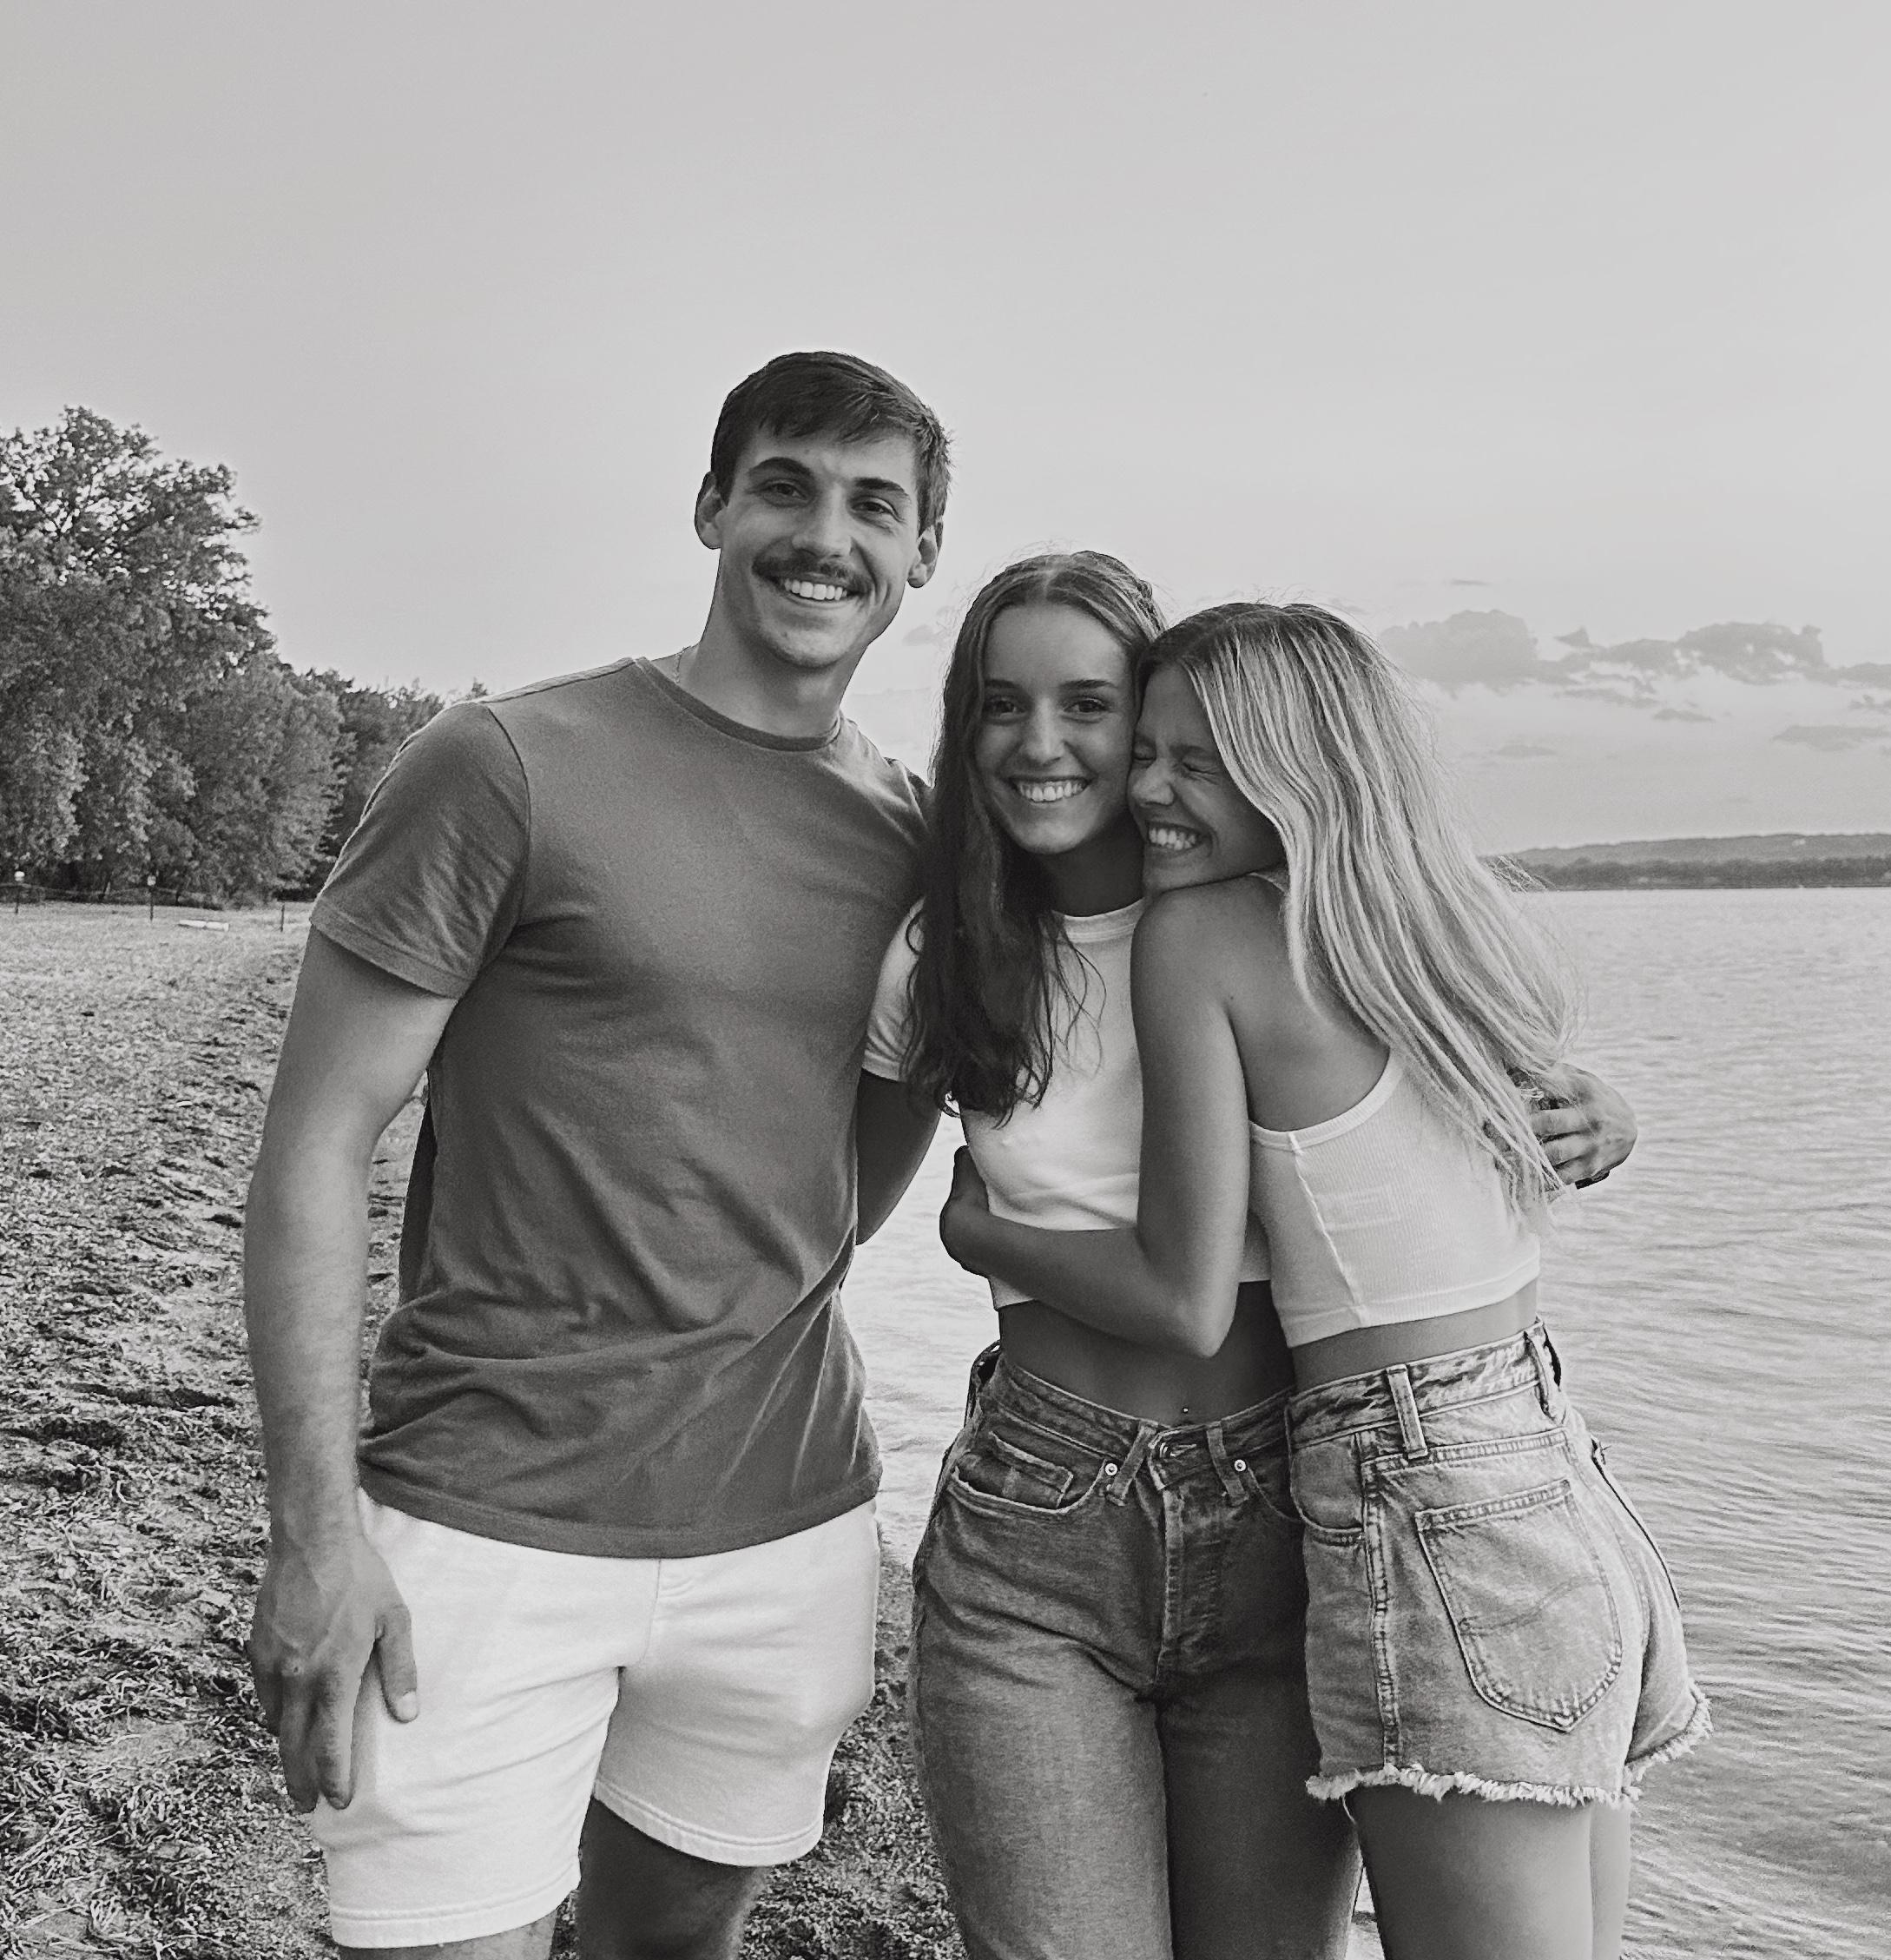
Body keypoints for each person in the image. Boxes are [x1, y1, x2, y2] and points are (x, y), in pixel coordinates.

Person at [242, 351, 952, 1960]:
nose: (823, 536)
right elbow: (315, 1147)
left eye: (873, 505)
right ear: (710, 506)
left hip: (786, 1532)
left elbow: (847, 1190)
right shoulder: (504, 761)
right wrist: (312, 1532)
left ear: (920, 553)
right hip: (478, 1523)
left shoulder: (922, 849)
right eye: (783, 486)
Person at [864, 557, 1638, 1960]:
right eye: (999, 704)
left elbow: (1439, 1114)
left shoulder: (1267, 921)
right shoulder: (947, 953)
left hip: (1296, 1510)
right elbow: (825, 1195)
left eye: (1092, 706)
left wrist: (1596, 1111)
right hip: (1043, 1523)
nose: (1044, 743)